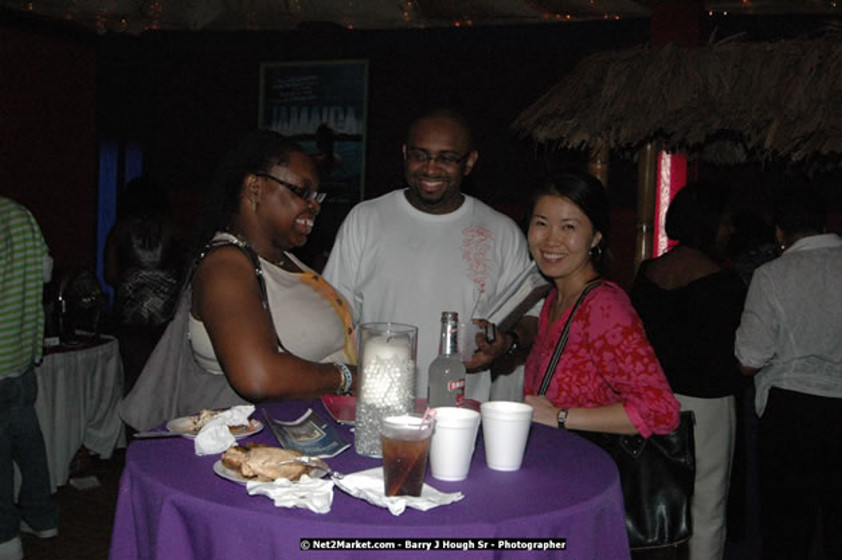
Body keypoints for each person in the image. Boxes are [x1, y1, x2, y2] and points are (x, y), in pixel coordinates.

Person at [119, 131, 357, 431]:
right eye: (302, 192)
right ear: (254, 187)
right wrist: (348, 377)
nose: (314, 206)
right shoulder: (226, 266)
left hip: (306, 438)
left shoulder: (281, 257)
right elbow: (258, 376)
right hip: (248, 450)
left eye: (317, 196)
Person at [322, 108, 539, 402]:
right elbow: (334, 317)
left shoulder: (500, 231)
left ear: (470, 162)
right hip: (376, 404)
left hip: (460, 409)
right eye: (419, 155)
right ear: (404, 154)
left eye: (447, 158)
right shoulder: (366, 219)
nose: (431, 168)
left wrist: (507, 343)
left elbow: (532, 315)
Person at [631, 181, 748, 560]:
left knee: (657, 497)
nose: (730, 229)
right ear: (709, 222)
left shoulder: (648, 273)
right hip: (709, 403)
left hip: (654, 400)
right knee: (708, 502)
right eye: (726, 221)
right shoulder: (723, 281)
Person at [522, 171, 680, 437]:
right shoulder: (555, 299)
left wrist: (559, 416)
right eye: (541, 223)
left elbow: (661, 410)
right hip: (556, 461)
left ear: (595, 237)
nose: (550, 239)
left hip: (589, 468)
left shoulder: (604, 307)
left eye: (568, 227)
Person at [735, 185, 842, 560]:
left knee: (785, 535)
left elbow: (749, 358)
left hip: (790, 414)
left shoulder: (771, 276)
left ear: (779, 232)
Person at [0, 197, 59, 560]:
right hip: (21, 355)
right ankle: (42, 517)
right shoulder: (21, 214)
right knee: (28, 442)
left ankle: (5, 536)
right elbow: (46, 274)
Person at [104, 175, 185, 394]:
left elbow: (110, 276)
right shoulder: (175, 229)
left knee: (133, 382)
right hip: (167, 320)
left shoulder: (118, 231)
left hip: (130, 321)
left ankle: (133, 427)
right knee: (166, 384)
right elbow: (189, 273)